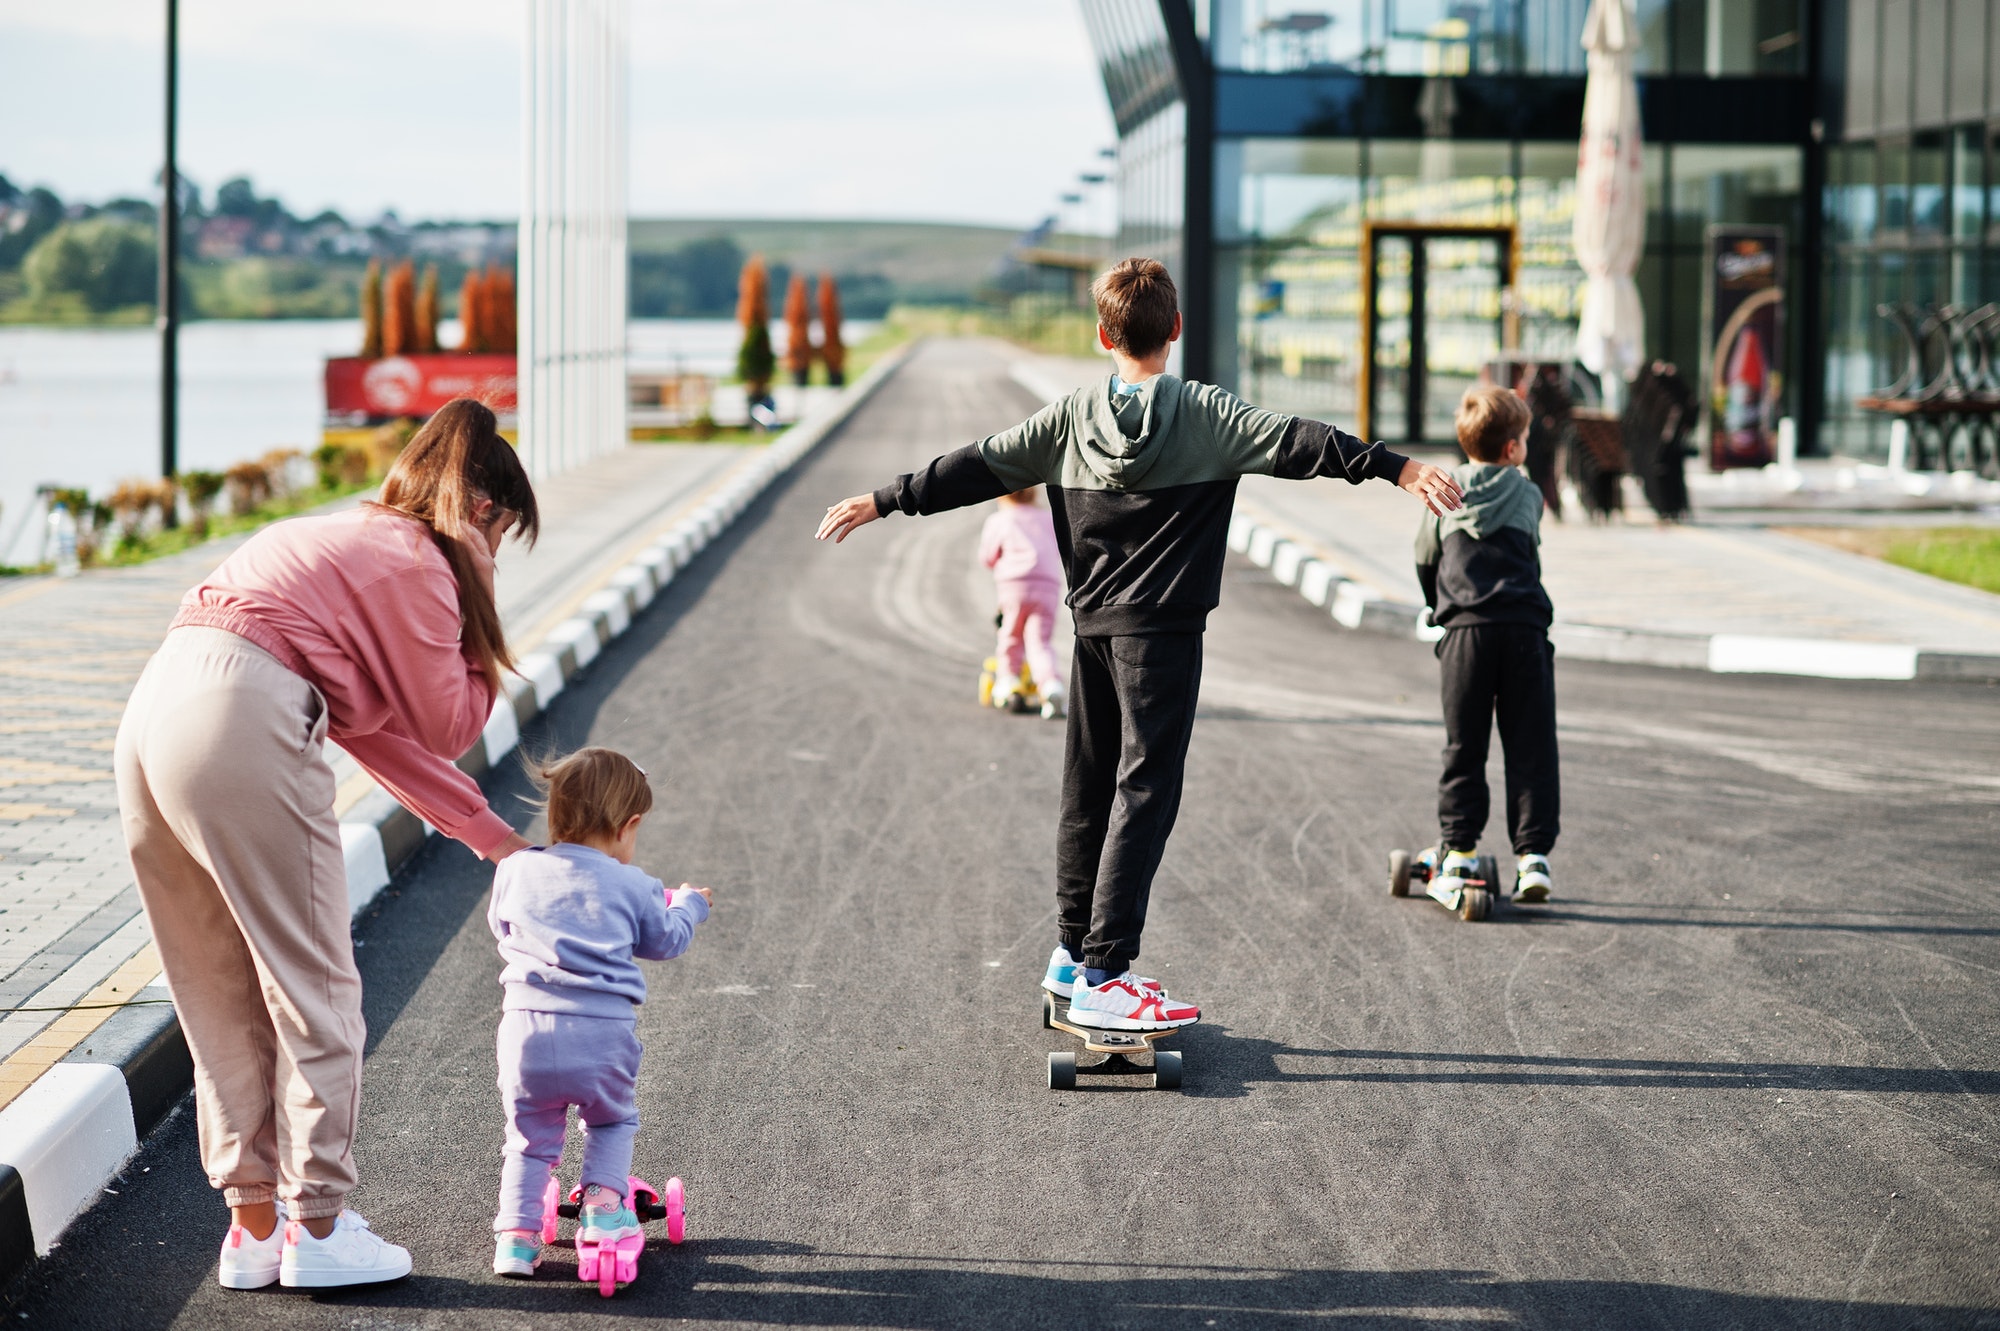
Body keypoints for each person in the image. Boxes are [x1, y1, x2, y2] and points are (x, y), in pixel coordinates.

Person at [816, 257, 1462, 1031]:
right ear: (1176, 330)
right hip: (1160, 635)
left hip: (1091, 629)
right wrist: (1399, 467)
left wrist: (886, 499)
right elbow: (1303, 442)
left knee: (1088, 786)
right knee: (1145, 790)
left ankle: (1071, 956)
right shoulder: (1206, 414)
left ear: (1102, 334)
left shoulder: (1068, 417)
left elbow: (976, 465)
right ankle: (1107, 969)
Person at [115, 398, 539, 1290]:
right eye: (504, 541)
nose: (497, 561)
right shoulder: (422, 563)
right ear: (488, 511)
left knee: (213, 984)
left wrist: (495, 841)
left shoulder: (347, 536)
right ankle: (320, 1226)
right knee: (314, 986)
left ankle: (253, 1227)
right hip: (240, 716)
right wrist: (479, 586)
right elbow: (446, 721)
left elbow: (378, 735)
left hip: (155, 712)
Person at [488, 747, 712, 1280]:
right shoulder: (633, 885)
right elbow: (665, 940)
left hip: (526, 1030)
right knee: (611, 1121)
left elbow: (503, 928)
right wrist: (688, 904)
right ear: (627, 826)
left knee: (528, 1137)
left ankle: (516, 1241)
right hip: (601, 1035)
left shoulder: (516, 869)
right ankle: (604, 1212)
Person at [1413, 385, 1561, 903]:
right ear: (1513, 449)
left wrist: (1439, 610)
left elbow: (1426, 560)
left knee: (1464, 744)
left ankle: (1459, 851)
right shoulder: (1528, 494)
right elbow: (1532, 555)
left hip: (1466, 635)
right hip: (1523, 630)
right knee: (1531, 744)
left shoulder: (1444, 491)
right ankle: (1533, 858)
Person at [979, 486, 1066, 719]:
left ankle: (1008, 681)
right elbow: (1059, 548)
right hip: (1047, 585)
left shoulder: (999, 520)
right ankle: (1050, 687)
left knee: (1011, 635)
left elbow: (988, 558)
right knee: (1040, 642)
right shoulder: (1047, 518)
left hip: (1014, 585)